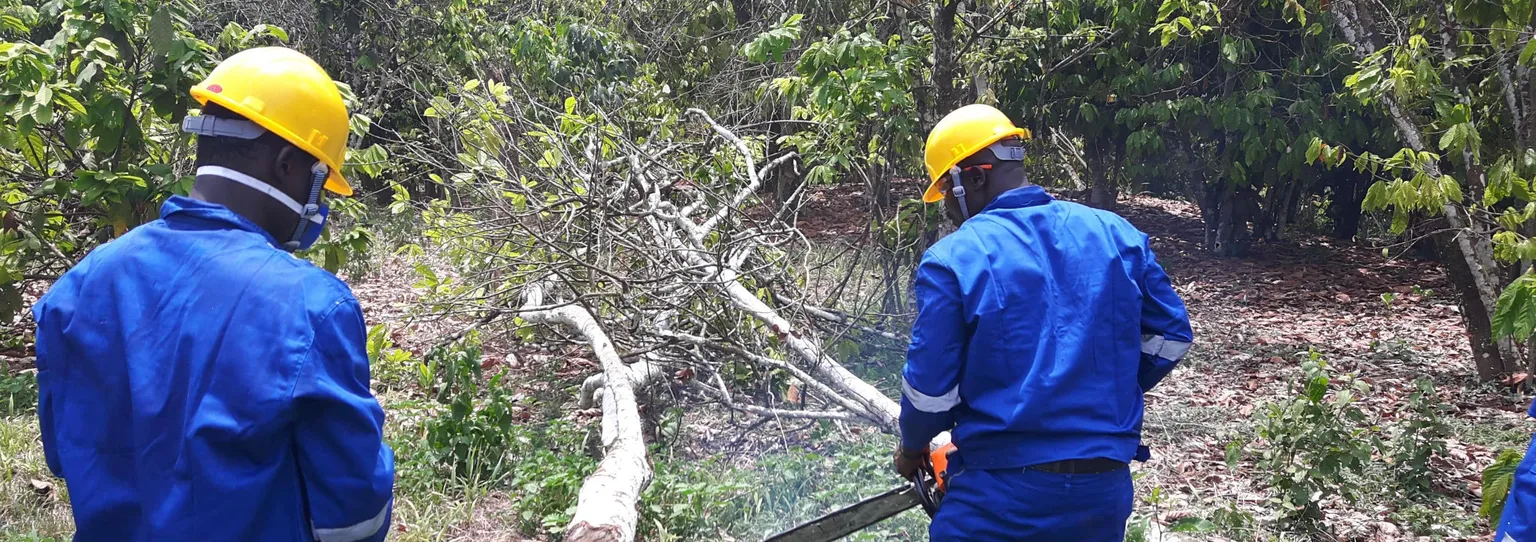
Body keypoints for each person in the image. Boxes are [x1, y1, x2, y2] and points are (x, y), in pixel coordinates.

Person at [31, 47, 394, 542]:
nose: (318, 206)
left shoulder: (78, 287)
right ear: (288, 166)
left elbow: (64, 451)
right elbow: (354, 517)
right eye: (319, 186)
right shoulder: (311, 307)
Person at [892, 104, 1193, 540]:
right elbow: (1171, 336)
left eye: (948, 194)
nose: (950, 213)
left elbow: (929, 393)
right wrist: (1099, 389)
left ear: (974, 178)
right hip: (1101, 490)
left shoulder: (953, 259)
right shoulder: (1117, 234)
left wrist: (912, 448)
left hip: (1000, 494)